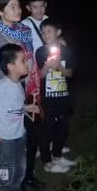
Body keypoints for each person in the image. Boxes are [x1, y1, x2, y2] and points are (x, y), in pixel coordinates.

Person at [0, 0, 46, 191]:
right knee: (14, 142)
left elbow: (31, 62)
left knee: (31, 136)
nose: (17, 10)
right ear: (0, 11)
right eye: (11, 7)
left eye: (18, 6)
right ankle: (14, 186)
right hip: (9, 96)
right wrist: (10, 88)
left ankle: (27, 175)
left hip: (29, 89)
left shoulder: (24, 31)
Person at [0, 43, 39, 191]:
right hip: (4, 139)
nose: (27, 63)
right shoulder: (2, 86)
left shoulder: (17, 84)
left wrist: (28, 107)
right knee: (5, 173)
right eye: (23, 61)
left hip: (18, 136)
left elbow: (14, 107)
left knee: (19, 170)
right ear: (10, 66)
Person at [35, 18, 78, 173]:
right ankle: (47, 161)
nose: (46, 35)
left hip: (64, 97)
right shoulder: (40, 52)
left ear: (58, 32)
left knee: (63, 128)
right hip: (47, 99)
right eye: (43, 32)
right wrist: (47, 67)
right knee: (47, 129)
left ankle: (57, 156)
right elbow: (40, 75)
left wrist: (59, 66)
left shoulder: (67, 51)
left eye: (49, 31)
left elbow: (71, 73)